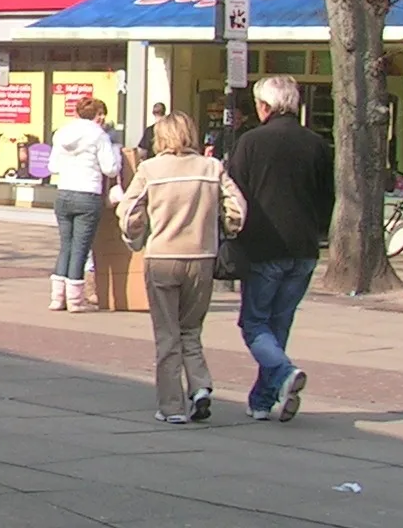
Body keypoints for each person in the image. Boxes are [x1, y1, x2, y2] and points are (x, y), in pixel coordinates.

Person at [120, 112, 247, 423]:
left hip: (162, 255)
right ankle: (200, 386)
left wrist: (135, 236)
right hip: (201, 257)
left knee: (167, 334)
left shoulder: (150, 169)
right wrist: (228, 227)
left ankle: (171, 405)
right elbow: (238, 207)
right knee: (191, 328)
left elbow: (128, 211)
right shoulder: (211, 167)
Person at [226, 74, 333, 423]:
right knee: (279, 324)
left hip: (263, 246)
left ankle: (283, 374)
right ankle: (263, 399)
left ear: (265, 107)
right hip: (303, 247)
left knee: (254, 323)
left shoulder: (251, 142)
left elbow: (235, 194)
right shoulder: (316, 144)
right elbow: (326, 198)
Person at [47, 95, 121, 313]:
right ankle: (75, 300)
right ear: (98, 116)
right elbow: (110, 169)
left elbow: (53, 166)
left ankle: (57, 298)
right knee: (81, 248)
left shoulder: (61, 133)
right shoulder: (99, 135)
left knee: (66, 246)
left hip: (64, 193)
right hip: (88, 194)